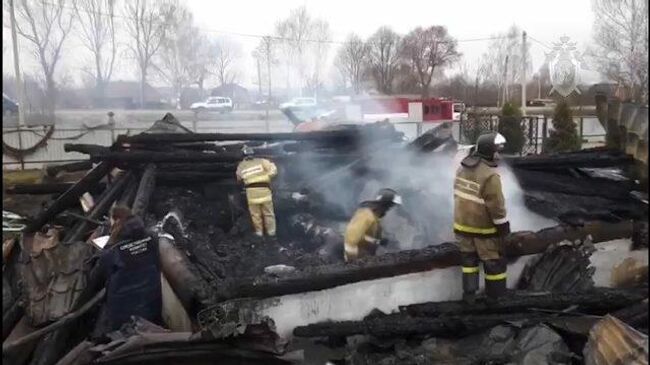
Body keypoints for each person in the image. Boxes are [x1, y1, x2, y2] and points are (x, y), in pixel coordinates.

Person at [453, 132, 510, 301]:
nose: (499, 156)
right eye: (497, 151)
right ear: (488, 151)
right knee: (494, 264)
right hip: (484, 231)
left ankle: (469, 296)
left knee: (469, 263)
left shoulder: (462, 169)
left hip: (462, 227)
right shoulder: (490, 176)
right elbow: (497, 206)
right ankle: (496, 298)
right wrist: (503, 227)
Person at [87, 205, 163, 333]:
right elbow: (156, 264)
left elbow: (97, 280)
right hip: (153, 306)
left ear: (116, 220)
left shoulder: (112, 251)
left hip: (123, 315)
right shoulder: (152, 238)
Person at [344, 188, 402, 262]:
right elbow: (351, 238)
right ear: (384, 204)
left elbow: (364, 237)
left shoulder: (374, 217)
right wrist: (353, 262)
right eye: (389, 206)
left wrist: (379, 241)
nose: (388, 209)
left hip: (365, 260)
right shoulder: (366, 215)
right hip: (359, 261)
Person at [236, 145, 279, 240]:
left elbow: (239, 178)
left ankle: (259, 233)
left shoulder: (241, 165)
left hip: (251, 193)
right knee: (268, 213)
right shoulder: (262, 161)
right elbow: (274, 170)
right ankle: (271, 234)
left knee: (255, 215)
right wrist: (267, 176)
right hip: (264, 191)